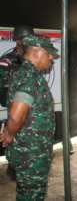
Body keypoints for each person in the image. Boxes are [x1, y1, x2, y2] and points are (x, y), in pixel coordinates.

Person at [0, 34, 58, 200]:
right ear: (35, 53)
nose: (51, 57)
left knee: (27, 192)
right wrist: (10, 134)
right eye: (48, 53)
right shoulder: (29, 78)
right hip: (31, 153)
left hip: (30, 149)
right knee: (32, 194)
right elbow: (17, 116)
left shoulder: (26, 74)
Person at [0, 24, 33, 181]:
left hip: (30, 106)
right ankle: (13, 168)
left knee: (28, 136)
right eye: (26, 39)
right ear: (18, 41)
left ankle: (25, 165)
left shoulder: (30, 58)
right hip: (15, 105)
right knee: (16, 134)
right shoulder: (7, 61)